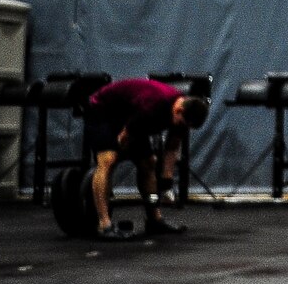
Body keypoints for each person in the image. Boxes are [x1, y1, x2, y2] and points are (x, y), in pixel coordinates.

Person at [82, 77, 208, 240]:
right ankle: (104, 225)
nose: (183, 127)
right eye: (183, 123)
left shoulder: (182, 117)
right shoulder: (153, 105)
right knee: (108, 159)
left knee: (149, 163)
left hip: (131, 115)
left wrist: (166, 182)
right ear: (178, 111)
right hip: (102, 111)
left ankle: (154, 221)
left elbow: (172, 146)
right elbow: (124, 138)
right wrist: (119, 153)